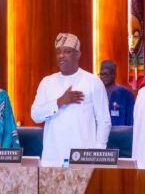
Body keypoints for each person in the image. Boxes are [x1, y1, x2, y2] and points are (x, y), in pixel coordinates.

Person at [31, 33, 111, 167]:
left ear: (78, 54)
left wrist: (98, 154)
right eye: (58, 52)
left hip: (84, 159)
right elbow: (35, 115)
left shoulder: (93, 82)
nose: (61, 56)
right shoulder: (47, 82)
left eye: (67, 51)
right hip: (53, 158)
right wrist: (59, 102)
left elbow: (104, 120)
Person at [99, 60, 134, 126]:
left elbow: (131, 120)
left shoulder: (126, 94)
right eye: (101, 74)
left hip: (120, 134)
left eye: (106, 73)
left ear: (114, 75)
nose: (103, 76)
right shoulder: (97, 93)